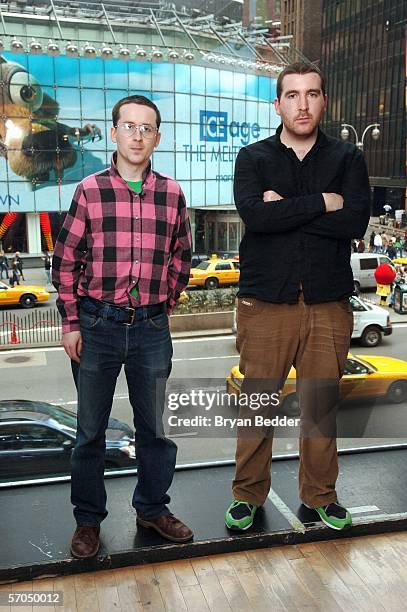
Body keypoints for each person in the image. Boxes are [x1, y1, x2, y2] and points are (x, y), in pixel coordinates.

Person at [225, 61, 370, 533]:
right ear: (278, 103)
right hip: (266, 303)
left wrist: (284, 208)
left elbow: (353, 224)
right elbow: (257, 219)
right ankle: (247, 496)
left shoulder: (348, 158)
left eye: (312, 94)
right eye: (292, 95)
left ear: (324, 100)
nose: (302, 104)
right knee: (257, 405)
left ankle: (321, 497)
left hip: (329, 303)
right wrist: (321, 203)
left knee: (320, 410)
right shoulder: (253, 158)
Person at [52, 95, 193, 559]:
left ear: (158, 136)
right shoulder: (90, 190)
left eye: (146, 128)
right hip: (97, 327)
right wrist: (72, 323)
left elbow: (181, 256)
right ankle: (88, 521)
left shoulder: (172, 194)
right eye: (128, 126)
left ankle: (153, 508)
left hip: (151, 329)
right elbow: (66, 261)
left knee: (154, 429)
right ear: (113, 133)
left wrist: (164, 301)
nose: (137, 135)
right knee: (89, 432)